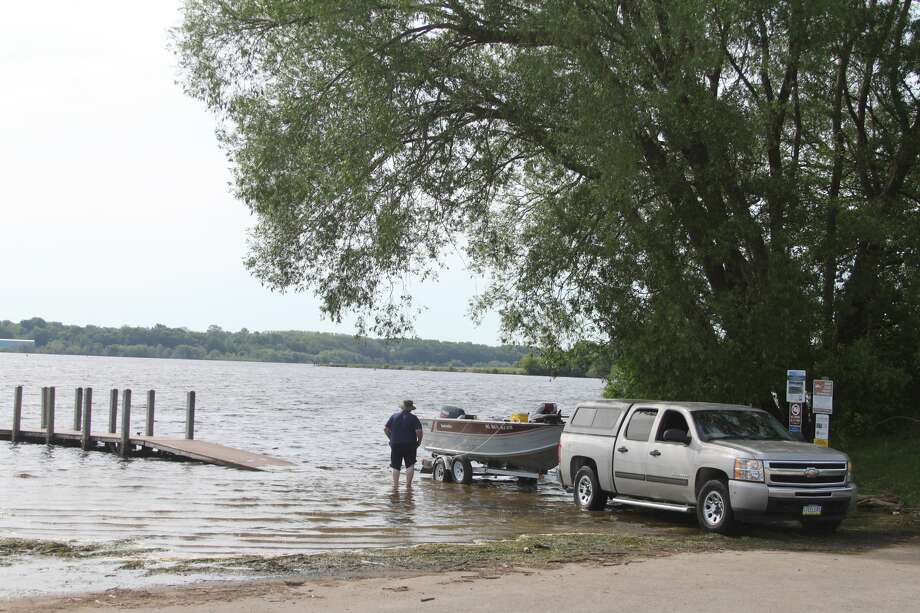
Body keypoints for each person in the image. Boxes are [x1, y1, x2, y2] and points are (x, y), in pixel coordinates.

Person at [384, 399, 423, 487]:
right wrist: (419, 442)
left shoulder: (394, 416)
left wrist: (391, 438)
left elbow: (386, 429)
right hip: (410, 444)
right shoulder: (413, 418)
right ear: (411, 409)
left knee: (396, 466)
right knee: (409, 465)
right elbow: (419, 432)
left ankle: (396, 486)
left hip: (395, 444)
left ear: (402, 407)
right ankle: (408, 486)